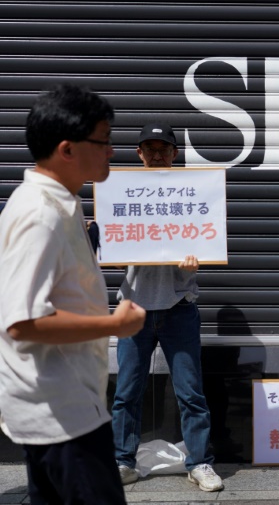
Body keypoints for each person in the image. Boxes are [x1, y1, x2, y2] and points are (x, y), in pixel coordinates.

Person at [0, 83, 146, 504]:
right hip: (63, 417)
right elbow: (25, 320)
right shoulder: (40, 215)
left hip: (61, 407)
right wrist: (115, 324)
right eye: (103, 141)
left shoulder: (58, 204)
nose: (111, 151)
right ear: (67, 149)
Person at [111, 123, 223, 492]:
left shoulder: (192, 195)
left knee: (190, 392)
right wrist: (105, 244)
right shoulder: (120, 194)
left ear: (175, 154)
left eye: (164, 148)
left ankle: (200, 463)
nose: (157, 154)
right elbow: (108, 255)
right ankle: (123, 462)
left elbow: (206, 237)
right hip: (133, 309)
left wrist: (197, 261)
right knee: (127, 392)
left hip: (179, 307)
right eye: (150, 148)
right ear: (139, 153)